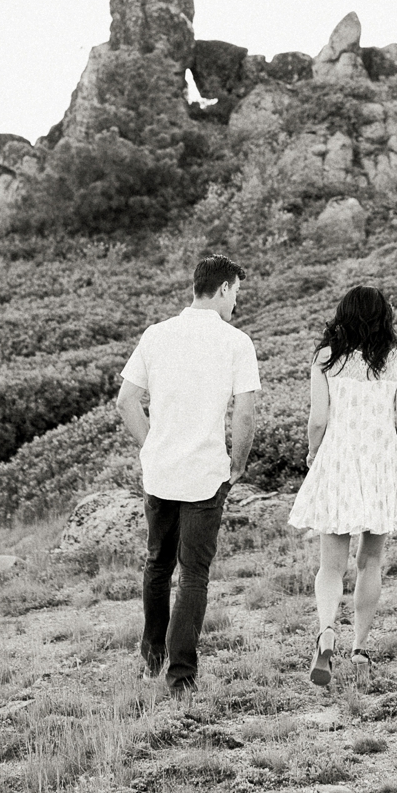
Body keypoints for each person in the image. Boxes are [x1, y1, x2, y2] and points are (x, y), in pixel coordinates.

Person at [115, 254, 261, 696]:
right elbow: (247, 411)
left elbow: (125, 401)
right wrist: (238, 462)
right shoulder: (236, 342)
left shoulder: (156, 335)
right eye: (235, 292)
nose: (236, 301)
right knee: (193, 574)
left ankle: (151, 661)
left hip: (161, 472)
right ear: (221, 290)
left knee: (157, 564)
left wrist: (152, 446)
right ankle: (181, 679)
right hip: (204, 472)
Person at [287, 285, 397, 685]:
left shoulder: (326, 359)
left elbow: (318, 420)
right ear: (385, 317)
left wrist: (313, 452)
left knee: (330, 565)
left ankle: (327, 630)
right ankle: (359, 648)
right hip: (382, 467)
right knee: (371, 562)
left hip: (338, 464)